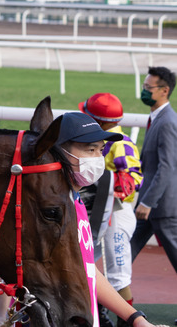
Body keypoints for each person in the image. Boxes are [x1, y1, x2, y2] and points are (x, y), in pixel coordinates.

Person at [0, 112, 166, 327]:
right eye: (89, 150)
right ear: (59, 151)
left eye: (100, 150)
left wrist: (135, 319)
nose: (97, 159)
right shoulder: (44, 211)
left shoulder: (74, 200)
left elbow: (88, 269)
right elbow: (9, 262)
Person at [79, 93, 143, 327]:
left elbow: (133, 180)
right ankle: (99, 313)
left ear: (99, 121)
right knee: (86, 264)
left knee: (118, 273)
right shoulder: (100, 140)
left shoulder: (122, 144)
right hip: (95, 213)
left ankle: (127, 322)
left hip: (116, 214)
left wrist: (119, 182)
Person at [130, 66, 177, 274]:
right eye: (144, 86)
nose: (144, 91)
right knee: (125, 250)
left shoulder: (167, 122)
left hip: (160, 207)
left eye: (148, 87)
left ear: (164, 90)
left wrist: (148, 202)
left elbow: (166, 166)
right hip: (148, 205)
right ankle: (104, 298)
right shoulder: (157, 118)